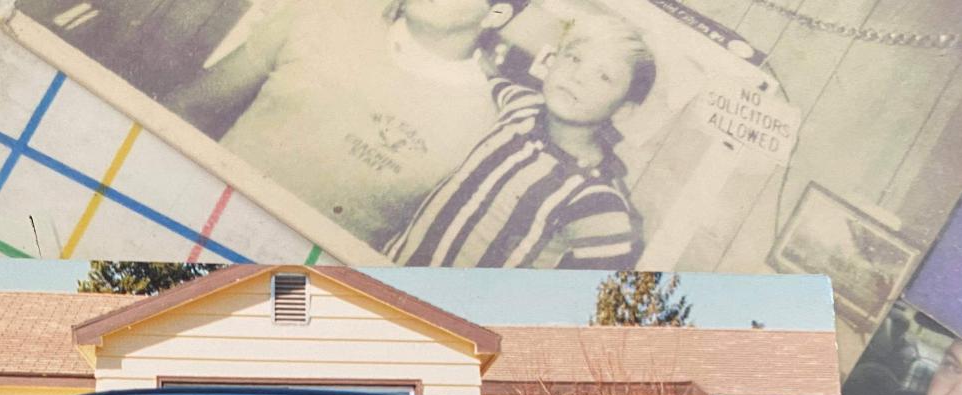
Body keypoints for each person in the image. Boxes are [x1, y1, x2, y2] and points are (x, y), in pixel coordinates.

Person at [165, 0, 517, 249]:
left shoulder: (487, 124)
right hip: (186, 227)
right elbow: (188, 108)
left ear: (496, 14)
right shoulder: (322, 15)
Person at [385, 15, 654, 268]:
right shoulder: (523, 105)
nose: (578, 76)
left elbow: (601, 290)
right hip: (388, 266)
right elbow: (492, 75)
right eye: (573, 58)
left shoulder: (597, 198)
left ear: (623, 109)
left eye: (604, 76)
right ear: (552, 61)